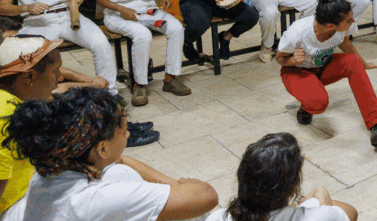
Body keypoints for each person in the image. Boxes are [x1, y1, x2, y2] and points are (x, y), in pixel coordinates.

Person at [2, 86, 219, 221]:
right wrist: (184, 186)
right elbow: (207, 196)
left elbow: (121, 160)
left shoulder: (54, 164)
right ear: (102, 148)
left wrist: (173, 184)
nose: (128, 135)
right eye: (123, 130)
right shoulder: (94, 200)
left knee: (121, 172)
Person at [275, 0, 377, 147]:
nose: (353, 22)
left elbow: (345, 43)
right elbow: (280, 59)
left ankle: (375, 125)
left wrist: (363, 64)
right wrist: (293, 60)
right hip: (296, 71)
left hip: (322, 66)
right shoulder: (297, 33)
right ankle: (306, 107)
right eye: (348, 20)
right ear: (331, 25)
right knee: (318, 103)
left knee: (353, 61)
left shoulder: (344, 27)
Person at [207, 133, 357, 221]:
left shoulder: (218, 217)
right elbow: (350, 212)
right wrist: (318, 194)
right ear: (292, 189)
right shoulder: (320, 216)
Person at [0, 35, 62, 218]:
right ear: (28, 76)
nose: (60, 78)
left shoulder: (12, 103)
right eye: (55, 71)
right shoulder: (7, 117)